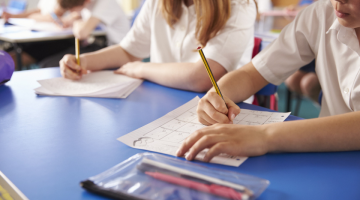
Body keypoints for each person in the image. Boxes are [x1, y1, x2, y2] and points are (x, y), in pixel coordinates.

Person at [176, 0, 360, 162]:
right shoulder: (320, 15)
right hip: (325, 158)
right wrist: (216, 96)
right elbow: (251, 74)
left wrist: (264, 136)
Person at [59, 0, 257, 92]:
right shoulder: (158, 3)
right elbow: (129, 51)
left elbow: (203, 77)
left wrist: (142, 68)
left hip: (220, 111)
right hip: (164, 101)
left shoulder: (239, 6)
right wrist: (83, 61)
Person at [38, 0, 130, 68]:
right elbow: (79, 17)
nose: (70, 11)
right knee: (47, 59)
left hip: (114, 49)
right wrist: (75, 18)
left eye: (71, 9)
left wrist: (77, 22)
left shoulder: (106, 3)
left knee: (49, 65)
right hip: (96, 44)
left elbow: (81, 33)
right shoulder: (88, 5)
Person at [285, 0, 321, 102]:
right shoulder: (305, 1)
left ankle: (331, 111)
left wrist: (305, 11)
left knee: (309, 83)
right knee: (292, 79)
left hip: (323, 52)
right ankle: (322, 105)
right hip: (311, 49)